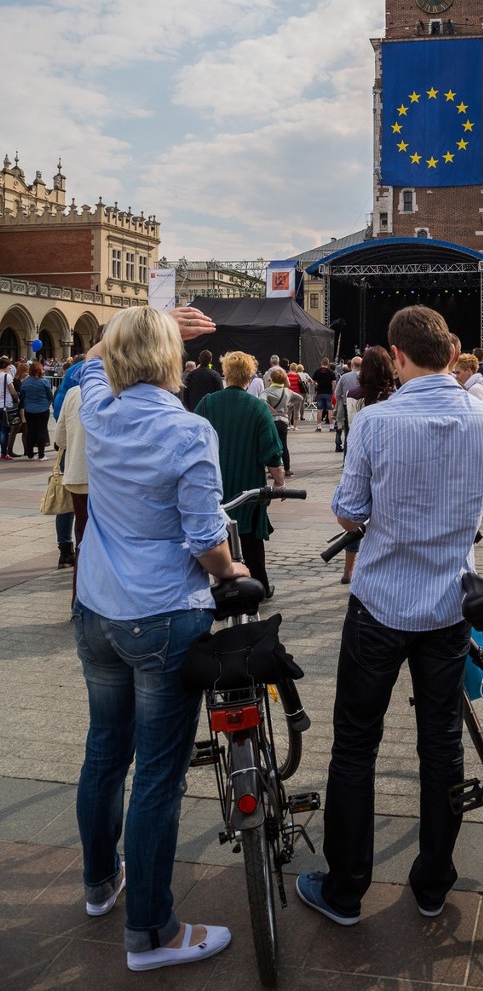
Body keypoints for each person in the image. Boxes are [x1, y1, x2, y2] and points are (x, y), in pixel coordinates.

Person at [295, 305, 483, 926]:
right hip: (447, 606)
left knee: (356, 744)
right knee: (441, 742)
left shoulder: (376, 421)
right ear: (450, 351)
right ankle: (433, 883)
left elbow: (348, 510)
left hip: (381, 602)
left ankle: (345, 890)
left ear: (397, 355)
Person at [73, 304, 249, 971]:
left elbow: (88, 361)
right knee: (156, 776)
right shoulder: (188, 431)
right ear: (175, 361)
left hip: (97, 610)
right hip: (161, 614)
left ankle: (99, 884)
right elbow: (205, 537)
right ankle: (150, 932)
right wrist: (232, 568)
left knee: (103, 752)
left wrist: (128, 318)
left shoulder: (100, 409)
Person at [195, 351, 285, 600]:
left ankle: (223, 585)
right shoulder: (257, 407)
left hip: (215, 485)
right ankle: (261, 586)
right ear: (250, 375)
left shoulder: (207, 403)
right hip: (248, 485)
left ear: (225, 373)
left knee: (218, 535)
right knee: (252, 541)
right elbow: (271, 452)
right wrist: (279, 481)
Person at [339, 347, 397, 585]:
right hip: (388, 459)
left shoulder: (353, 394)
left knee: (353, 513)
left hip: (357, 455)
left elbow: (352, 426)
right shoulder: (395, 396)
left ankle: (348, 570)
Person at [55, 382, 89, 602]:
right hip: (110, 480)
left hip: (78, 475)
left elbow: (60, 439)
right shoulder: (125, 388)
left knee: (83, 540)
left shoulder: (74, 392)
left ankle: (79, 602)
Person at [260, 367, 296, 477]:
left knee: (273, 446)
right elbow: (299, 398)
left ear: (272, 379)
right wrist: (290, 405)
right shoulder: (287, 391)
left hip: (272, 421)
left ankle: (274, 471)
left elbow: (261, 400)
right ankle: (287, 469)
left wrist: (269, 407)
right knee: (284, 445)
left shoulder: (267, 391)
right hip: (284, 421)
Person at [19, 360, 53, 459]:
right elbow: (50, 395)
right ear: (39, 370)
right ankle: (41, 455)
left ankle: (30, 454)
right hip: (42, 409)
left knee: (31, 431)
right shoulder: (44, 382)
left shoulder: (25, 382)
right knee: (41, 431)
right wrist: (48, 401)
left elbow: (23, 396)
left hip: (29, 410)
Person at [0, 354, 18, 460]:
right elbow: (12, 391)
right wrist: (17, 399)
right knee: (4, 430)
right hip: (5, 406)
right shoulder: (7, 376)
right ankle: (3, 453)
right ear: (6, 366)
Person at [312, 358, 337, 430]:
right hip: (329, 393)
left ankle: (319, 426)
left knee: (320, 410)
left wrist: (316, 388)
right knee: (330, 410)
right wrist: (333, 392)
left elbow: (313, 382)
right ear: (328, 363)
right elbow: (334, 383)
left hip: (320, 393)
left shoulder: (317, 371)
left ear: (321, 363)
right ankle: (331, 427)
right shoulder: (331, 373)